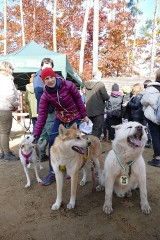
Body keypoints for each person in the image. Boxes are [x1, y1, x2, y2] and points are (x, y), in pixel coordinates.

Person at [33, 67, 89, 185]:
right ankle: (53, 172)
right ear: (44, 81)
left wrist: (84, 116)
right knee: (53, 140)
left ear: (55, 76)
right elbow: (42, 115)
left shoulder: (68, 85)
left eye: (51, 77)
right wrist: (35, 135)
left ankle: (73, 168)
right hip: (61, 117)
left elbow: (79, 100)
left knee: (74, 140)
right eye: (46, 79)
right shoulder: (45, 95)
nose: (50, 80)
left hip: (74, 115)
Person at [33, 58, 55, 161]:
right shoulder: (38, 76)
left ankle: (41, 154)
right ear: (42, 66)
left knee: (45, 132)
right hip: (47, 110)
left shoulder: (48, 76)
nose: (47, 68)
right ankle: (50, 154)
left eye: (49, 66)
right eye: (46, 66)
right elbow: (38, 93)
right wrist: (50, 106)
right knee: (50, 132)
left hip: (48, 109)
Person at [0, 61, 19, 161]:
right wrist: (16, 105)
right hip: (4, 108)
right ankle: (6, 153)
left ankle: (3, 152)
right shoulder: (7, 79)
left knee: (1, 132)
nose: (12, 71)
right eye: (12, 68)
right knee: (5, 132)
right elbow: (10, 95)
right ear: (8, 68)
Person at [141, 70, 160, 168]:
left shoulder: (151, 88)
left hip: (153, 117)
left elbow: (143, 101)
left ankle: (157, 159)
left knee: (156, 136)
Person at [85, 71, 110, 139]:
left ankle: (91, 145)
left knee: (92, 129)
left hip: (88, 110)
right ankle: (93, 146)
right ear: (99, 76)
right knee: (97, 130)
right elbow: (106, 97)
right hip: (98, 110)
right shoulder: (100, 84)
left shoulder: (86, 84)